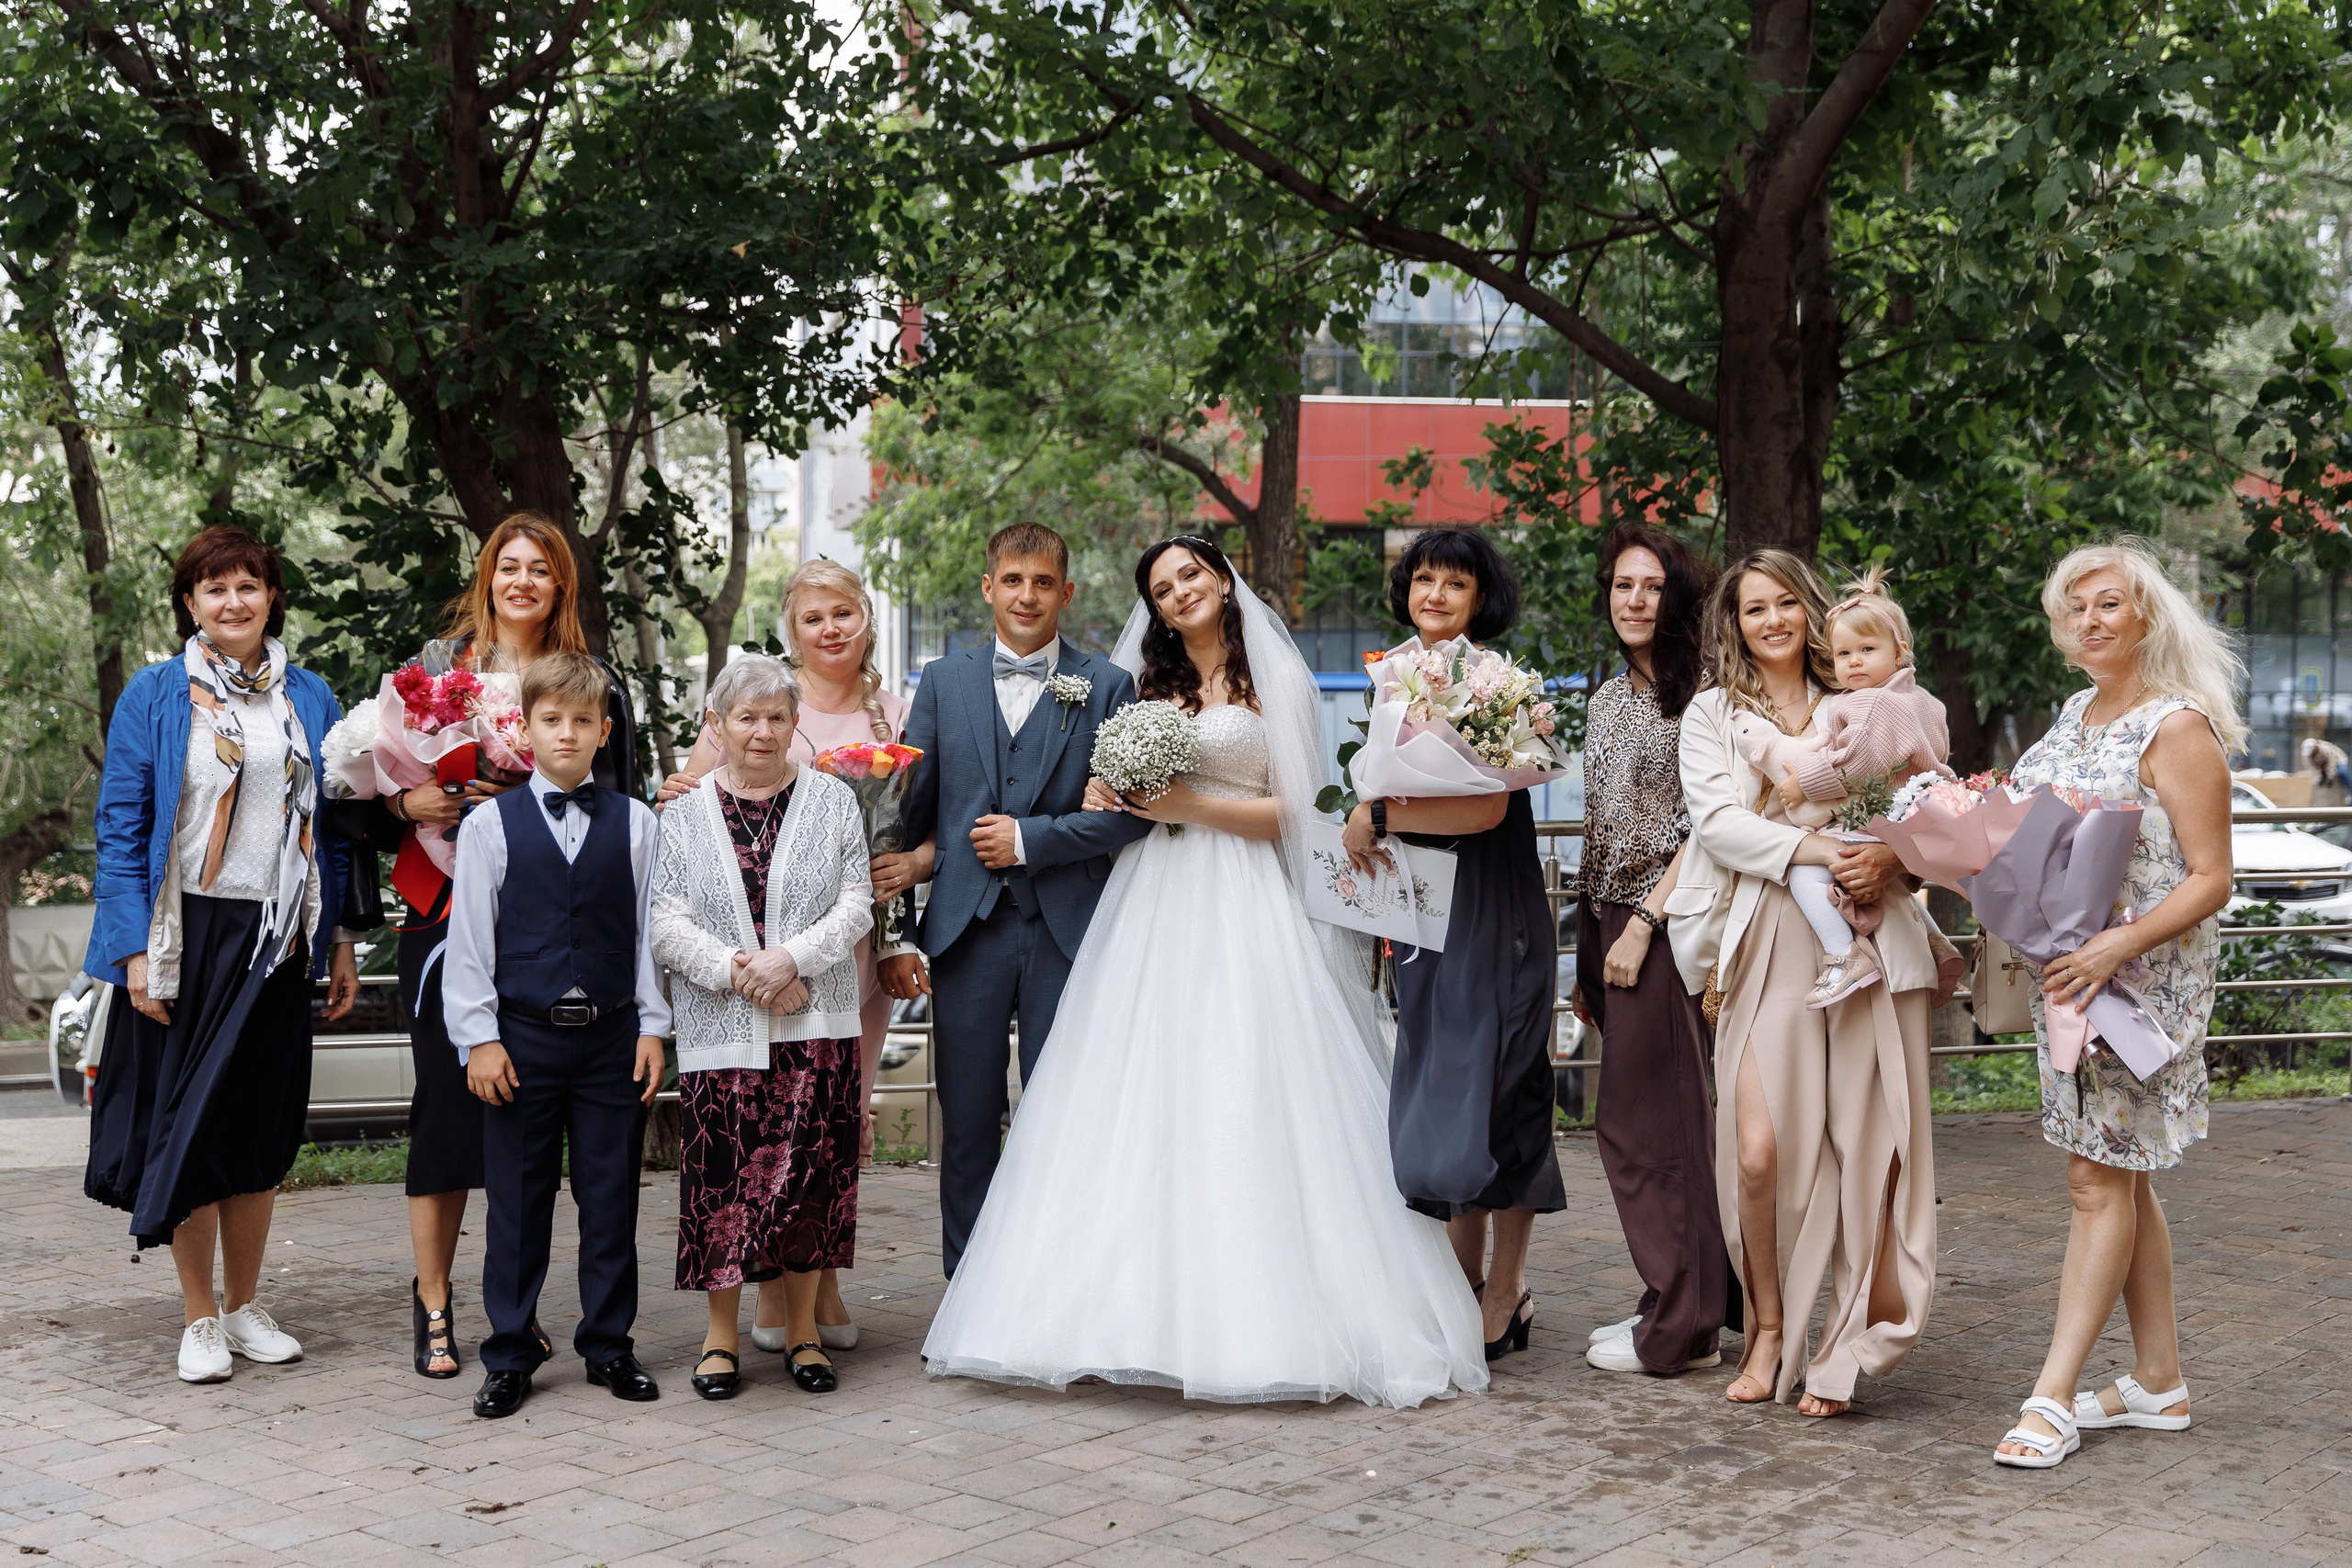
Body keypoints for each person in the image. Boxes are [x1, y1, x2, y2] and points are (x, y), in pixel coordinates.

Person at [921, 536, 1487, 1405]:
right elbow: (1099, 789)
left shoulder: (1278, 680)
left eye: (1191, 575)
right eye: (1161, 586)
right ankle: (1117, 1310)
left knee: (1247, 1084)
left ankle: (1264, 1313)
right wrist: (1110, 795)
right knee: (1132, 1093)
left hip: (1246, 896)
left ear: (1224, 581)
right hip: (1151, 899)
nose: (1179, 592)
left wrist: (1188, 805)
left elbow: (1292, 815)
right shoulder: (1137, 686)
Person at [325, 510, 638, 1382]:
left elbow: (615, 801)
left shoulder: (588, 680)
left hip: (555, 925)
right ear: (487, 574)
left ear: (561, 583)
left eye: (542, 568)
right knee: (449, 1108)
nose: (525, 581)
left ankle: (522, 1311)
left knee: (529, 1120)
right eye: (511, 565)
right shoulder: (435, 671)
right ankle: (434, 1303)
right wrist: (404, 805)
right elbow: (358, 795)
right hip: (444, 906)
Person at [84, 525, 360, 1382]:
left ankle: (245, 1306)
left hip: (279, 935)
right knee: (191, 1123)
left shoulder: (309, 698)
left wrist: (341, 936)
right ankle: (200, 1317)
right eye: (214, 588)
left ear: (271, 595)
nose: (233, 601)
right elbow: (121, 830)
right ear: (191, 604)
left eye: (247, 585)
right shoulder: (157, 694)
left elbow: (337, 830)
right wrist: (133, 952)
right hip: (188, 933)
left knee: (259, 1126)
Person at [1670, 550, 1939, 1416]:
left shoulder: (1866, 692)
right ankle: (1769, 1328)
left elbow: (1929, 801)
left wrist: (1891, 863)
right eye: (1756, 608)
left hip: (1866, 934)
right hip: (1763, 933)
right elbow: (1719, 826)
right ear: (1734, 623)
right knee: (1759, 1152)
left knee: (1866, 1151)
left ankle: (1841, 1352)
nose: (1775, 619)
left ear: (1813, 610)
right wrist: (1831, 850)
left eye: (1789, 601)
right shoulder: (1714, 713)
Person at [1991, 540, 2236, 1470]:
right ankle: (2159, 1382)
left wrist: (2114, 944)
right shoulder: (2072, 714)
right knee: (2118, 1173)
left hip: (2138, 989)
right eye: (2073, 609)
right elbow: (2020, 822)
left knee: (2095, 1181)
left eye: (2107, 604)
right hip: (2070, 979)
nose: (2088, 622)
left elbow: (2211, 878)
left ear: (2144, 615)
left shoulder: (2176, 727)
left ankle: (2050, 1396)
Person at [659, 559, 918, 1353]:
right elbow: (680, 879)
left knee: (826, 1134)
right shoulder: (721, 752)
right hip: (737, 987)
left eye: (845, 612)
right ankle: (755, 1311)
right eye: (815, 616)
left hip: (839, 968)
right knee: (739, 1146)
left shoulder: (889, 715)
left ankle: (817, 1298)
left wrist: (817, 954)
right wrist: (745, 967)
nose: (831, 627)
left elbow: (883, 860)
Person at [887, 522, 1153, 1279]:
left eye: (1042, 582)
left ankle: (1057, 1281)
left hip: (1067, 931)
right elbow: (912, 819)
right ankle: (968, 1284)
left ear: (1066, 592)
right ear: (988, 587)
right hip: (965, 933)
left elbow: (1129, 815)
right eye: (1013, 580)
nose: (1027, 594)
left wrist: (1033, 838)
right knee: (968, 1121)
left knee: (1061, 1114)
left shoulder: (1107, 685)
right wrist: (898, 932)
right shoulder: (942, 681)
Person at [1339, 527, 1565, 1361]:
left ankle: (1506, 1288)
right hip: (1425, 907)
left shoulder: (1498, 682)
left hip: (1492, 904)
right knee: (1445, 1087)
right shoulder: (1390, 674)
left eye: (1455, 583)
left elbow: (1488, 806)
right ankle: (1462, 1284)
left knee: (1505, 1084)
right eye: (1424, 578)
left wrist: (1382, 814)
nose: (1435, 593)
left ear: (1481, 599)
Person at [442, 652, 670, 1419]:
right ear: (526, 728)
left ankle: (609, 1344)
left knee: (610, 1198)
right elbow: (471, 941)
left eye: (581, 721)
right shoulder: (487, 827)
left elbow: (647, 939)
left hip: (611, 1041)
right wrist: (478, 1037)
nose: (566, 733)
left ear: (603, 732)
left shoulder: (639, 824)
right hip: (521, 1041)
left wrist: (651, 1026)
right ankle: (510, 1351)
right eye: (551, 720)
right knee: (516, 1199)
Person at [651, 656, 874, 1399]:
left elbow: (856, 902)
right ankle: (719, 1339)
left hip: (819, 1020)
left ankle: (804, 1332)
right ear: (715, 725)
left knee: (812, 1174)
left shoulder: (835, 801)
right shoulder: (680, 816)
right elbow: (665, 922)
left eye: (776, 716)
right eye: (745, 717)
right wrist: (744, 973)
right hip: (723, 1029)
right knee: (723, 1180)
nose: (761, 730)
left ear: (794, 724)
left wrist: (791, 959)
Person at [1571, 524, 1736, 1377]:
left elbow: (1706, 828)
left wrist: (1643, 924)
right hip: (1607, 921)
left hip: (1667, 926)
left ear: (1679, 598)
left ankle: (1680, 1327)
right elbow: (1602, 823)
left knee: (1650, 1129)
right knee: (1650, 1122)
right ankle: (1682, 1301)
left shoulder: (1706, 697)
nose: (1634, 601)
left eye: (1652, 586)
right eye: (1622, 585)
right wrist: (1586, 947)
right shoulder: (1603, 699)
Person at [1731, 568, 1955, 1009]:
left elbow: (1859, 762)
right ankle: (1936, 939)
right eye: (1843, 654)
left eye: (1866, 650)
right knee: (1882, 884)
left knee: (1807, 873)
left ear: (1900, 652)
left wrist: (1803, 784)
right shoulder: (1922, 699)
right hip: (1912, 812)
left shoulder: (1871, 701)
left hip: (1876, 817)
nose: (1853, 662)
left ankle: (1844, 955)